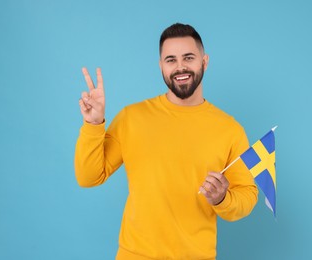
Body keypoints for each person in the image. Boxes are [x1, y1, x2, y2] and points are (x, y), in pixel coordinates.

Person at [75, 23, 258, 260]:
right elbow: (88, 177)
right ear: (161, 66)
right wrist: (93, 124)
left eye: (188, 57)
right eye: (170, 60)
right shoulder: (132, 117)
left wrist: (222, 198)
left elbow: (248, 195)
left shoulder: (230, 129)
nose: (180, 66)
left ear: (205, 62)